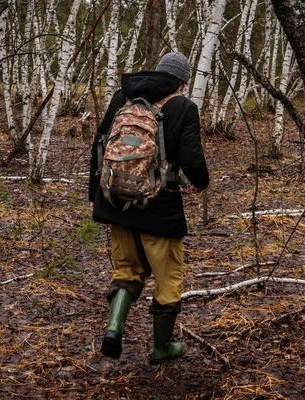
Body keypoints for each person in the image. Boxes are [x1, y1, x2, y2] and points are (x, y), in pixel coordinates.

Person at [88, 51, 209, 363]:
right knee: (168, 279)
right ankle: (161, 348)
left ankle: (113, 330)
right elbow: (192, 158)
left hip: (116, 201)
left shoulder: (122, 98)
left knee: (126, 269)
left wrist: (94, 193)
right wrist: (201, 181)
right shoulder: (183, 106)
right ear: (182, 81)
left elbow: (99, 145)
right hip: (160, 206)